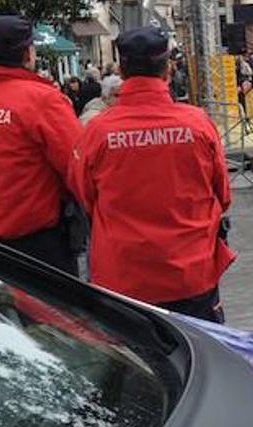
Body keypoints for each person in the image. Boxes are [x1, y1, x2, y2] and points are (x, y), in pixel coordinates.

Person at [70, 26, 234, 324]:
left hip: (123, 276)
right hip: (191, 273)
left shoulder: (97, 130)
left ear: (121, 69)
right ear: (169, 68)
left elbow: (85, 195)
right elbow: (222, 194)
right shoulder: (198, 124)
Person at [0, 15, 83, 275]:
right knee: (52, 315)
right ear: (28, 53)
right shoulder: (42, 100)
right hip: (39, 244)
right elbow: (78, 168)